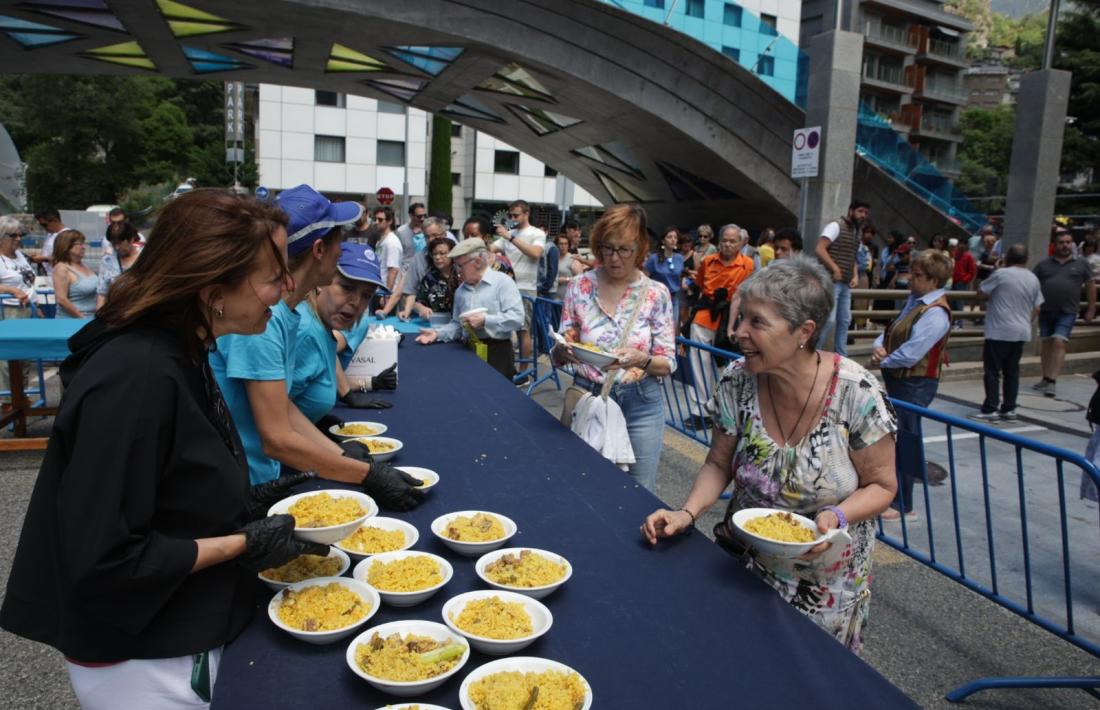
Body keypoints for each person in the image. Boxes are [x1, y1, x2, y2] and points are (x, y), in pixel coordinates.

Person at [0, 190, 328, 709]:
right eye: (273, 276)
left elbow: (169, 483)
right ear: (212, 286)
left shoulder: (181, 346)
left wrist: (249, 499)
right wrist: (245, 542)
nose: (287, 288)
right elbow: (105, 557)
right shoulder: (138, 375)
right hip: (141, 655)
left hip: (173, 623)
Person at [642, 255, 897, 653]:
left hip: (825, 589)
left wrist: (838, 515)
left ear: (804, 331)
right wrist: (686, 513)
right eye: (741, 317)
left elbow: (883, 484)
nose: (739, 332)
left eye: (756, 322)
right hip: (743, 569)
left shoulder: (857, 393)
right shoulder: (736, 381)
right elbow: (717, 463)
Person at [210, 184, 422, 510]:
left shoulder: (286, 312)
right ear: (320, 250)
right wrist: (367, 475)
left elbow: (280, 404)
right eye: (340, 239)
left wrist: (338, 454)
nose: (343, 250)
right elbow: (276, 436)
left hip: (255, 478)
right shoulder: (262, 316)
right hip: (237, 488)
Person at [552, 204, 676, 492]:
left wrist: (641, 360)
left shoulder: (656, 294)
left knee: (638, 491)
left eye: (625, 249)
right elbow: (562, 345)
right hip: (587, 394)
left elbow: (668, 362)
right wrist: (561, 351)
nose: (615, 258)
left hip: (641, 404)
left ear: (641, 247)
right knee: (583, 485)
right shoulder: (579, 286)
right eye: (607, 248)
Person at [870, 250, 953, 522]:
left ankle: (903, 502)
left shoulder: (936, 312)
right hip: (899, 376)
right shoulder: (915, 302)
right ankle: (894, 496)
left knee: (906, 438)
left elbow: (912, 352)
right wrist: (880, 350)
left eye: (917, 276)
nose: (910, 280)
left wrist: (883, 359)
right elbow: (890, 331)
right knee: (898, 436)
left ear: (932, 280)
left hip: (915, 382)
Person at [291, 242, 388, 423]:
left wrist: (316, 425)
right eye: (347, 287)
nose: (356, 301)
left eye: (366, 295)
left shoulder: (321, 326)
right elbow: (270, 419)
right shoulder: (306, 332)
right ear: (322, 281)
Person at [416, 238, 525, 379]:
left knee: (498, 397)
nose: (457, 271)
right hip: (468, 349)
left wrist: (485, 320)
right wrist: (437, 334)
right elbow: (457, 325)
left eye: (460, 266)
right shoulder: (461, 290)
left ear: (478, 262)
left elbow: (517, 319)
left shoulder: (502, 283)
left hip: (498, 351)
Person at [687, 224, 754, 427]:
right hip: (704, 317)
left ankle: (724, 409)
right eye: (724, 240)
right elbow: (699, 285)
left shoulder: (748, 265)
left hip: (730, 320)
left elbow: (746, 294)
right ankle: (701, 411)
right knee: (699, 364)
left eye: (732, 241)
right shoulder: (708, 261)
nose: (727, 244)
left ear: (741, 243)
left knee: (728, 367)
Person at [970, 244, 1042, 422]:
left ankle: (990, 408)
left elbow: (980, 293)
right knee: (1012, 371)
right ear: (1026, 259)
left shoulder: (1001, 274)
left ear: (1008, 257)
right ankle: (1009, 408)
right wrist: (1026, 321)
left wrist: (996, 269)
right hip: (1021, 331)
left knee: (992, 371)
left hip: (999, 330)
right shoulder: (1033, 278)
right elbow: (1038, 308)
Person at [1032, 230, 1097, 398]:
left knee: (1059, 341)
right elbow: (1032, 285)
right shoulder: (1043, 264)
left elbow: (1090, 286)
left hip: (1068, 311)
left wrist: (1091, 308)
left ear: (1073, 244)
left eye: (1068, 242)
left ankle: (1052, 381)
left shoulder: (1082, 263)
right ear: (1055, 245)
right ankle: (1045, 377)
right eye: (1061, 242)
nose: (1065, 245)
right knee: (1046, 343)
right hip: (1045, 310)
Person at [493, 200, 547, 364]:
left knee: (523, 331)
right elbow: (490, 249)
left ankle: (524, 372)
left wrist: (510, 237)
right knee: (506, 329)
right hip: (506, 288)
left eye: (516, 215)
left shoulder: (536, 233)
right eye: (511, 215)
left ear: (526, 214)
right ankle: (509, 367)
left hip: (525, 288)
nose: (513, 218)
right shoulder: (509, 234)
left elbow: (535, 253)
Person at [816, 200, 869, 357]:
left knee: (845, 320)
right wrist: (834, 268)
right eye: (860, 211)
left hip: (844, 282)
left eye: (865, 213)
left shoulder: (856, 232)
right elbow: (820, 248)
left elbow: (851, 255)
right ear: (851, 210)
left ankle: (841, 355)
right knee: (829, 320)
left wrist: (854, 274)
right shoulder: (836, 226)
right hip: (831, 280)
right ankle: (813, 351)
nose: (863, 215)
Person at [394, 216, 450, 320]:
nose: (431, 240)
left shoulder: (458, 257)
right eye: (427, 237)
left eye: (435, 235)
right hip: (425, 319)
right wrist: (412, 310)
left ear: (445, 235)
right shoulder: (418, 259)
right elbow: (410, 292)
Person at [400, 235, 457, 322]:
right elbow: (417, 302)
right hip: (435, 324)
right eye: (434, 254)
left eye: (442, 253)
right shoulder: (429, 278)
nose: (437, 257)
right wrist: (421, 308)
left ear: (452, 254)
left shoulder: (462, 276)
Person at [51, 230, 97, 318]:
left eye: (84, 243)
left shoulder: (84, 265)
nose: (84, 247)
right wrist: (81, 317)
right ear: (67, 246)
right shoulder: (61, 268)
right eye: (80, 244)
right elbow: (61, 299)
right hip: (73, 321)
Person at [97, 220, 143, 308]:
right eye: (113, 244)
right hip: (116, 311)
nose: (116, 247)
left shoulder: (145, 257)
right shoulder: (107, 261)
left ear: (131, 239)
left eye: (120, 243)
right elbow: (102, 294)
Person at [643, 226, 685, 318]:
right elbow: (645, 279)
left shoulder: (680, 258)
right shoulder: (654, 258)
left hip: (674, 298)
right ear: (663, 241)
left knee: (673, 327)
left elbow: (680, 278)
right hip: (657, 298)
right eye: (669, 237)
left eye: (675, 237)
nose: (673, 240)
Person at [0, 216, 37, 318]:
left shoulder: (19, 254)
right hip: (9, 311)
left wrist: (37, 306)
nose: (18, 238)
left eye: (20, 235)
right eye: (13, 235)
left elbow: (28, 284)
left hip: (29, 308)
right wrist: (12, 290)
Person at [372, 206, 404, 315]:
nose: (376, 222)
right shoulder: (381, 240)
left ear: (389, 221)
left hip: (386, 293)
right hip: (377, 290)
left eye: (380, 220)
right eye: (375, 219)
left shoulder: (392, 242)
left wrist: (387, 295)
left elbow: (393, 269)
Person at [31, 207, 70, 274]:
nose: (43, 227)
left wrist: (44, 259)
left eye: (44, 224)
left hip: (61, 275)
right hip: (49, 274)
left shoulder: (67, 235)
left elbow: (67, 259)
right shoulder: (50, 234)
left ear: (54, 220)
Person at [950, 237, 977, 319]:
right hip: (951, 281)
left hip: (961, 282)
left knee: (959, 303)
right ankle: (953, 321)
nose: (961, 246)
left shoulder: (968, 256)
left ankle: (959, 323)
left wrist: (964, 279)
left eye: (963, 244)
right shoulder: (953, 254)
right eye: (959, 244)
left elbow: (972, 271)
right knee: (952, 303)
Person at [554, 233, 583, 300]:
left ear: (568, 245)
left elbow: (581, 279)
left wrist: (566, 279)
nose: (563, 246)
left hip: (568, 298)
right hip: (554, 298)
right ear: (557, 245)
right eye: (561, 244)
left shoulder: (573, 259)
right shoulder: (554, 258)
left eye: (566, 244)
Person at [536, 232, 559, 299]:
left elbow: (553, 269)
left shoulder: (551, 247)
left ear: (546, 232)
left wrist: (544, 288)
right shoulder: (537, 245)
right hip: (538, 288)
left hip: (548, 291)